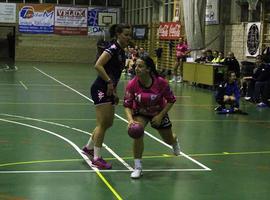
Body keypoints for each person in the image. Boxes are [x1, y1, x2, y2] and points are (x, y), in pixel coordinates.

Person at [82, 24, 131, 169]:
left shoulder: (122, 51)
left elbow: (114, 74)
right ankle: (96, 158)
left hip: (109, 89)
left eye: (130, 35)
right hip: (100, 88)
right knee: (103, 124)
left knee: (108, 123)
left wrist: (114, 91)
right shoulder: (113, 49)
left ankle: (88, 148)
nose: (129, 37)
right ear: (118, 34)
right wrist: (108, 82)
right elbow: (98, 65)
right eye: (126, 35)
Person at [123, 56, 181, 179]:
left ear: (148, 69)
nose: (136, 69)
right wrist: (130, 120)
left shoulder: (161, 83)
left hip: (158, 112)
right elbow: (127, 105)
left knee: (168, 140)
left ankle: (174, 141)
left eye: (140, 66)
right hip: (141, 112)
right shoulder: (132, 84)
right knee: (137, 132)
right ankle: (138, 167)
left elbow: (171, 100)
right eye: (136, 66)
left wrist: (160, 116)